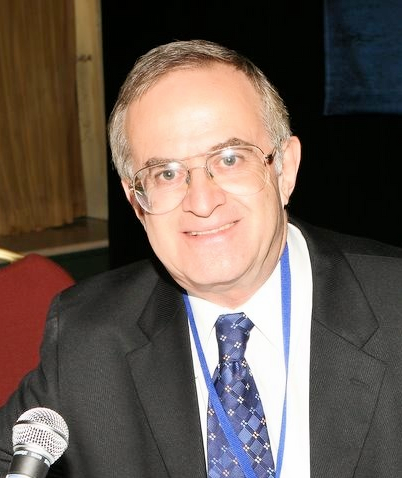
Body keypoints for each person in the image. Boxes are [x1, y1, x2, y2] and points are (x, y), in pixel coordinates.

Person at [1, 39, 402, 478]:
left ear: (284, 169)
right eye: (167, 173)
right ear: (136, 201)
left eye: (229, 159)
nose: (202, 201)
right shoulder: (87, 339)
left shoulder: (394, 306)